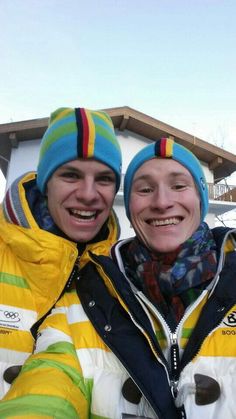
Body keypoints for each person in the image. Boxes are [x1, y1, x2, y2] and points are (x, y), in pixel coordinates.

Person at [0, 138, 235, 419]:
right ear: (130, 206)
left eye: (179, 185)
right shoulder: (88, 295)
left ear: (200, 198)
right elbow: (49, 383)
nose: (162, 202)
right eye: (145, 189)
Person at [0, 106, 122, 399]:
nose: (89, 194)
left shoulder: (123, 275)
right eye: (70, 175)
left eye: (104, 178)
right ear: (45, 183)